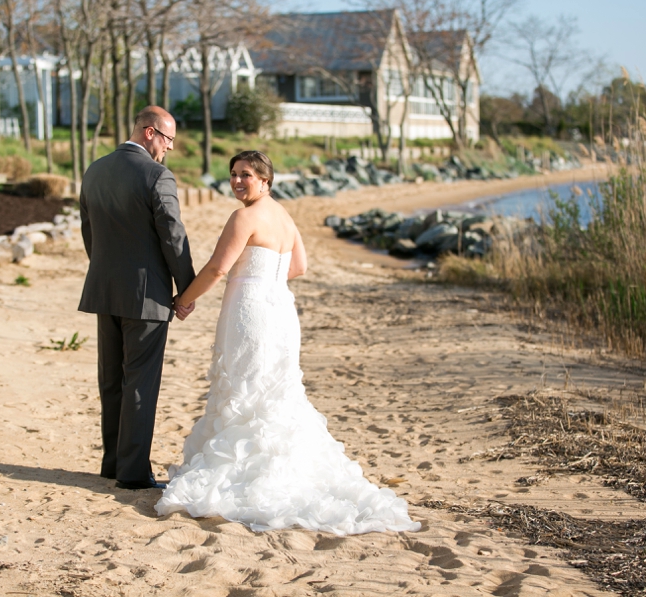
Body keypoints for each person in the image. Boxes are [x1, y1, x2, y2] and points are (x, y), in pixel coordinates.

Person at [155, 151, 419, 534]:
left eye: (246, 174)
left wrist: (184, 299)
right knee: (274, 390)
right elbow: (299, 267)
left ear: (265, 180)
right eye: (233, 174)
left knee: (245, 388)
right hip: (279, 309)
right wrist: (266, 279)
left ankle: (241, 474)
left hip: (250, 311)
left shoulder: (244, 217)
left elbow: (217, 268)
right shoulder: (283, 215)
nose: (237, 181)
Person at [78, 106, 196, 491]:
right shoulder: (157, 175)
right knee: (140, 382)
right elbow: (173, 236)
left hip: (105, 288)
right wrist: (187, 288)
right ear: (149, 133)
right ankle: (132, 473)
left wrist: (105, 269)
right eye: (168, 139)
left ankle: (112, 463)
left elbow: (88, 230)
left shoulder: (95, 170)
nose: (169, 148)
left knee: (111, 380)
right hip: (147, 297)